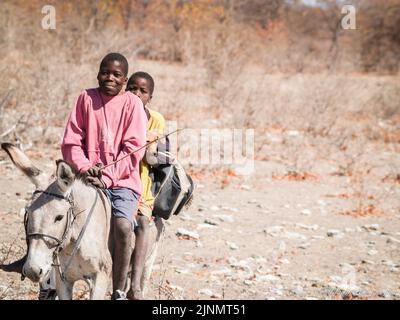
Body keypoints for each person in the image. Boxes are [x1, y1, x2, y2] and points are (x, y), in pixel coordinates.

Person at [61, 53, 147, 300]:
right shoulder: (85, 98)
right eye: (105, 72)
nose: (109, 77)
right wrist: (86, 168)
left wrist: (107, 177)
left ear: (124, 79)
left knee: (122, 226)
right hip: (84, 176)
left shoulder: (132, 104)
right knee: (53, 215)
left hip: (121, 181)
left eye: (116, 74)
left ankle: (118, 289)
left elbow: (134, 149)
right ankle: (48, 280)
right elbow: (71, 142)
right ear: (98, 73)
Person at [125, 71, 166, 300]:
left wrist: (150, 144)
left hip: (140, 184)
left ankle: (135, 285)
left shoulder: (156, 119)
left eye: (143, 91)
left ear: (150, 97)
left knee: (142, 224)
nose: (137, 94)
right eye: (132, 88)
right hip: (114, 180)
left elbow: (153, 159)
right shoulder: (116, 111)